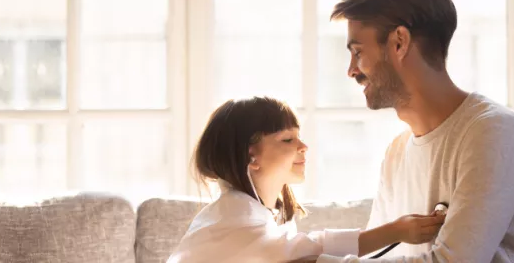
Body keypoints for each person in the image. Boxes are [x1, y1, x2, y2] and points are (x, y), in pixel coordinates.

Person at [293, 0, 514, 262]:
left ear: (399, 42)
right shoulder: (397, 153)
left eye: (358, 52)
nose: (351, 70)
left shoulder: (495, 132)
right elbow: (379, 255)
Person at [166, 97, 446, 263]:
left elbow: (305, 246)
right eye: (288, 139)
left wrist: (396, 230)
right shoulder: (231, 222)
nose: (304, 147)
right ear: (251, 156)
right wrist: (395, 231)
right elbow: (310, 251)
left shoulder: (261, 216)